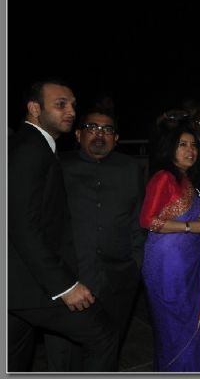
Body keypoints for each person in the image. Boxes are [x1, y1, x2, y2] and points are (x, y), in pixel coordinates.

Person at [8, 80, 118, 371]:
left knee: (13, 361)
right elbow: (21, 225)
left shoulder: (35, 145)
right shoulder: (29, 149)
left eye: (72, 105)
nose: (71, 111)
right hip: (31, 285)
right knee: (103, 335)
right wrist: (64, 286)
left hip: (19, 286)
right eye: (60, 105)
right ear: (34, 109)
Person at [44, 108, 146, 370]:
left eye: (107, 130)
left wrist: (136, 264)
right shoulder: (58, 166)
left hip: (119, 279)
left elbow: (138, 220)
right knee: (65, 355)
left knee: (108, 351)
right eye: (92, 128)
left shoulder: (130, 168)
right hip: (70, 279)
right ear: (78, 135)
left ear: (116, 138)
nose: (100, 134)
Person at [140, 124, 200, 371]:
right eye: (182, 145)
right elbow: (148, 221)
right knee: (174, 328)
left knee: (189, 324)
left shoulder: (186, 181)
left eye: (194, 145)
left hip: (188, 266)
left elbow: (193, 220)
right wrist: (191, 226)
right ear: (170, 149)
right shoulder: (164, 178)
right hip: (167, 269)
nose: (190, 150)